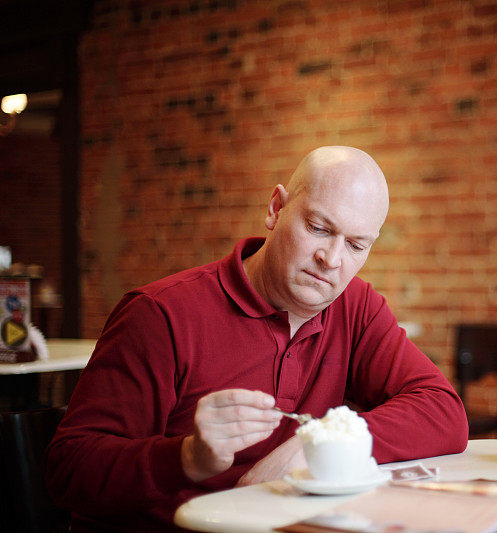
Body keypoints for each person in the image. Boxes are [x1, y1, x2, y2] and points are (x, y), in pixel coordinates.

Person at [45, 146, 469, 532]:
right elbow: (69, 469)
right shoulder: (160, 314)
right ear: (276, 208)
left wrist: (320, 443)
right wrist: (187, 457)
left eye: (357, 245)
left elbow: (443, 411)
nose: (332, 260)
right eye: (319, 228)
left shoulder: (356, 307)